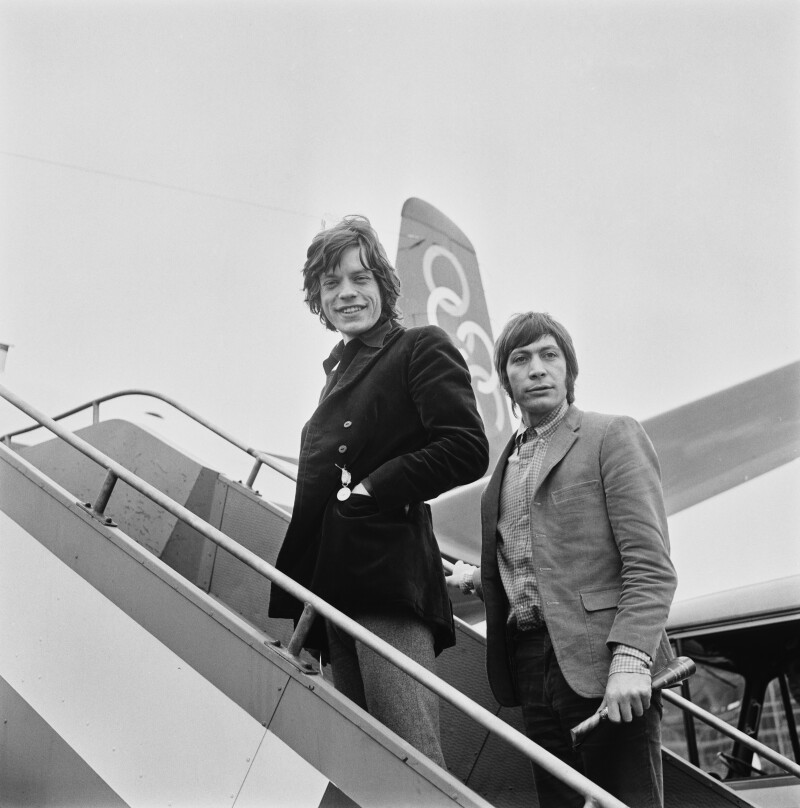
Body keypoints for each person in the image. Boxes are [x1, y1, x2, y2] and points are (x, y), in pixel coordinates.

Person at [268, 215, 489, 767]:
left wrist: (370, 489)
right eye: (331, 284)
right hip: (336, 586)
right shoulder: (338, 372)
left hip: (387, 578)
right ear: (318, 299)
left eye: (360, 278)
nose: (346, 293)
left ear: (385, 287)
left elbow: (467, 446)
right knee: (370, 766)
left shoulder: (418, 347)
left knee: (411, 760)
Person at [447, 311, 677, 807]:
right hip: (530, 666)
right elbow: (545, 567)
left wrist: (632, 659)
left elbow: (650, 564)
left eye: (549, 355)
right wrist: (483, 580)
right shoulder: (503, 469)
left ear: (569, 370)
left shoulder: (611, 435)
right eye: (520, 359)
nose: (536, 369)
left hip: (606, 662)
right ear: (506, 380)